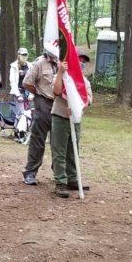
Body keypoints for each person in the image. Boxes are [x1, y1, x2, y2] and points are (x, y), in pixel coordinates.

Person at [50, 53, 93, 198]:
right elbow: (56, 91)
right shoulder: (62, 76)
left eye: (83, 62)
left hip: (75, 119)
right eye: (78, 60)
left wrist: (77, 107)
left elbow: (88, 99)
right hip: (60, 117)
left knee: (72, 151)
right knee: (59, 151)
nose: (81, 63)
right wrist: (61, 72)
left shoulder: (84, 81)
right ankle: (60, 181)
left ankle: (73, 178)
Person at [21, 51, 58, 185]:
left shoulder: (62, 62)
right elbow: (27, 83)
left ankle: (60, 173)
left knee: (59, 142)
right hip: (43, 103)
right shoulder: (39, 63)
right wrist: (39, 93)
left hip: (59, 104)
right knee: (38, 139)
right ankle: (30, 172)